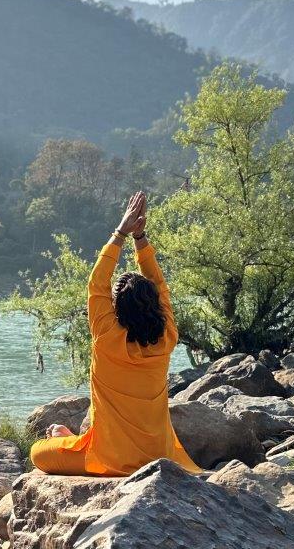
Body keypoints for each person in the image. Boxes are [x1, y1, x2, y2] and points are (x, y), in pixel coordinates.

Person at [29, 191, 200, 477]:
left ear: (116, 308)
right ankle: (72, 438)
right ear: (155, 304)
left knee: (37, 454)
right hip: (158, 456)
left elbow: (96, 283)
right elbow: (160, 284)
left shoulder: (106, 335)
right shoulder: (167, 337)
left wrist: (121, 232)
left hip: (110, 459)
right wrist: (140, 238)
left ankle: (65, 439)